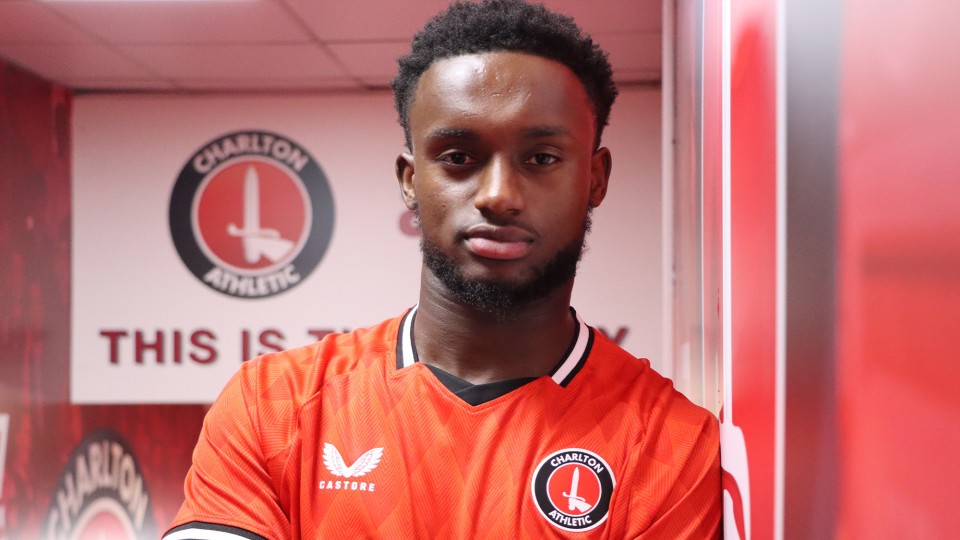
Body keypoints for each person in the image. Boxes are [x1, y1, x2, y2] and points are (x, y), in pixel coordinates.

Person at [163, 0, 721, 538]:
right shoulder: (275, 406)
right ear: (410, 179)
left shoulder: (671, 443)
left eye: (542, 159)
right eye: (458, 157)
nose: (499, 196)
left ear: (595, 178)